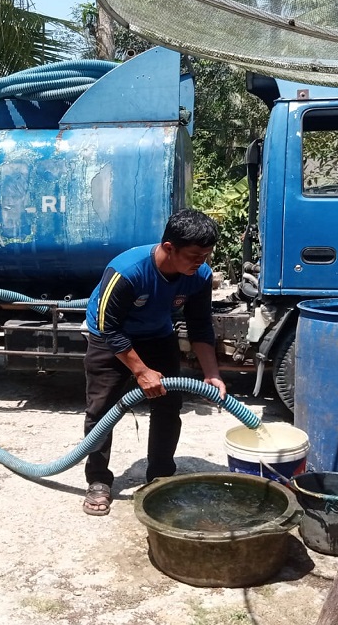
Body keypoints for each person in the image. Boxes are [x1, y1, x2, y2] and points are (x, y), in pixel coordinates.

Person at [81, 208, 227, 516]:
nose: (201, 262)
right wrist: (141, 370)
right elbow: (110, 328)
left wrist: (211, 374)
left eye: (206, 255)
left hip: (157, 335)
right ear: (169, 247)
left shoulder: (199, 275)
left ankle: (159, 478)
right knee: (101, 408)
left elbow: (200, 325)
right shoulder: (127, 271)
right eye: (195, 255)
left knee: (168, 407)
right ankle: (98, 480)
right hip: (109, 339)